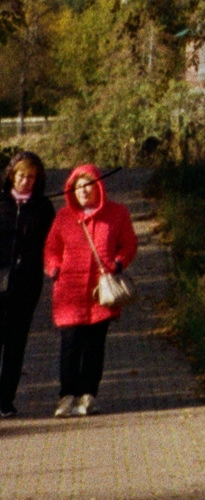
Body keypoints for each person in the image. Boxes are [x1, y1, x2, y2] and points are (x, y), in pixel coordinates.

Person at [42, 161, 138, 418]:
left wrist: (118, 263)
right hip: (69, 293)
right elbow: (51, 248)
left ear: (100, 187)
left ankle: (88, 395)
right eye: (78, 186)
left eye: (89, 186)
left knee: (95, 345)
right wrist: (55, 268)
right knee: (70, 344)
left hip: (101, 292)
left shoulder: (117, 213)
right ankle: (67, 396)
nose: (84, 191)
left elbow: (128, 244)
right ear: (71, 190)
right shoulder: (64, 217)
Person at [1, 152, 55, 415]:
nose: (25, 181)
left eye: (31, 177)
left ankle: (5, 400)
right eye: (21, 175)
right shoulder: (1, 203)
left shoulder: (43, 207)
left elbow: (53, 243)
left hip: (26, 283)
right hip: (1, 278)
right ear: (12, 175)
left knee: (16, 341)